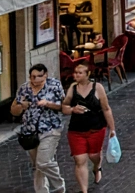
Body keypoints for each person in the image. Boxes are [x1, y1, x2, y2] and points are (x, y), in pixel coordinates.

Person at [12, 63, 67, 193]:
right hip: (29, 131)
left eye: (38, 76)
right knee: (38, 165)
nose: (34, 80)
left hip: (50, 128)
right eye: (32, 77)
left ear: (45, 75)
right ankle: (41, 191)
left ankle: (59, 185)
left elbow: (63, 107)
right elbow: (13, 111)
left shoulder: (54, 85)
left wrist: (48, 104)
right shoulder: (24, 88)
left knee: (43, 162)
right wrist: (21, 106)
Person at [63, 61, 116, 193]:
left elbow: (106, 108)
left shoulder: (97, 88)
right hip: (76, 130)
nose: (76, 75)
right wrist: (72, 110)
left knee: (94, 156)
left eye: (80, 73)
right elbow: (64, 107)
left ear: (87, 74)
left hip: (96, 128)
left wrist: (112, 129)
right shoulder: (72, 88)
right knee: (80, 160)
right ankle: (84, 190)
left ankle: (97, 167)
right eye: (75, 73)